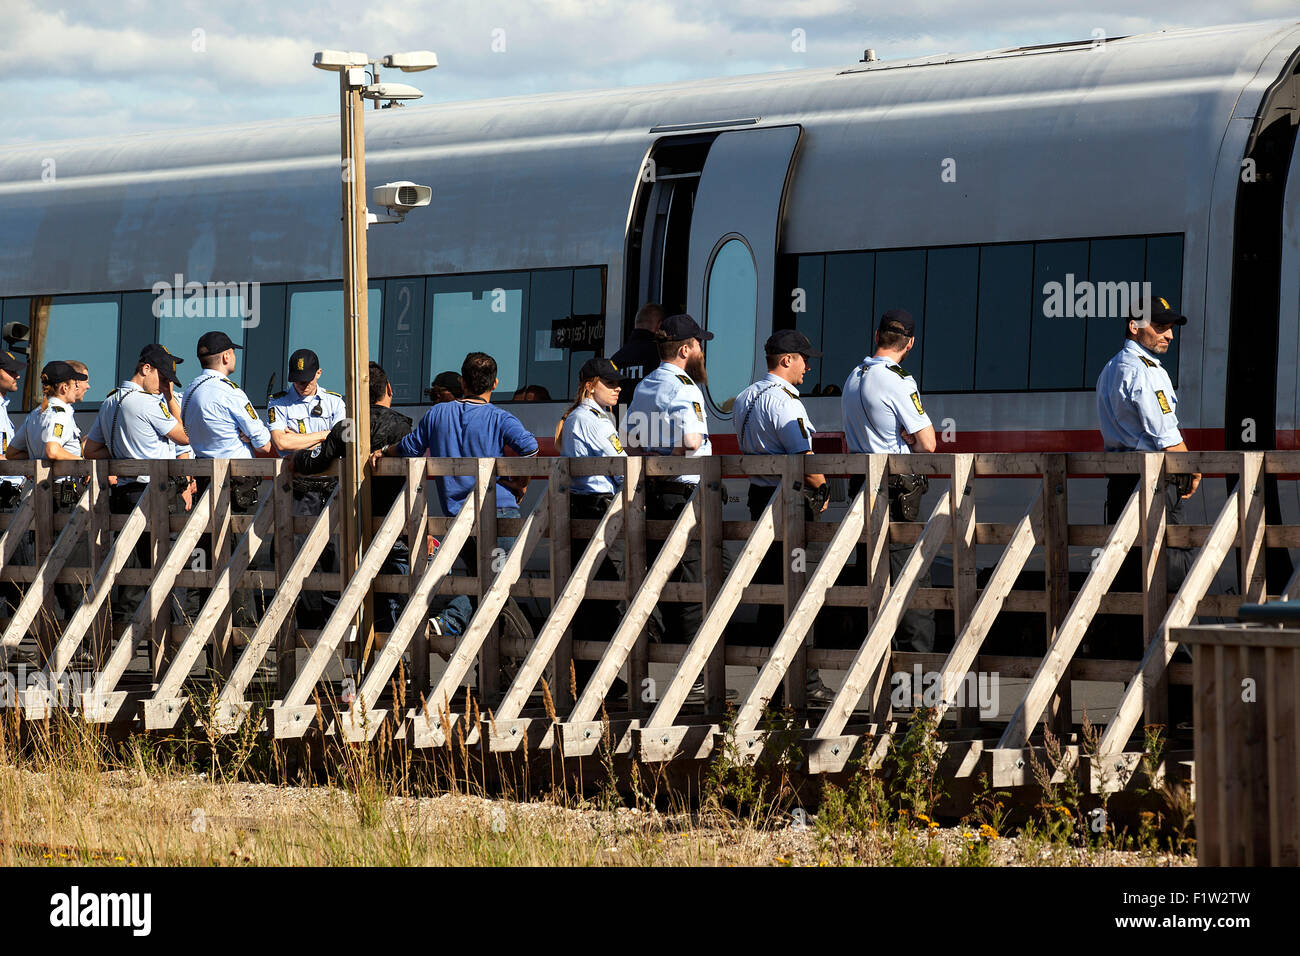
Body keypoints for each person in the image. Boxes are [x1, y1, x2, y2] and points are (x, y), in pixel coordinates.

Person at [372, 351, 538, 639]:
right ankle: (452, 620)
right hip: (498, 512)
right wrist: (519, 484)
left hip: (458, 518)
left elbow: (410, 448)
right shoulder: (499, 417)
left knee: (483, 584)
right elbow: (531, 448)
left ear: (462, 382)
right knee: (497, 583)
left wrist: (384, 451)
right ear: (495, 383)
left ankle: (490, 667)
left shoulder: (438, 413)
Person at [1094, 295, 1199, 659]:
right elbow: (1165, 436)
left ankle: (1137, 685)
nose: (1168, 334)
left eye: (1170, 327)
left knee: (1131, 581)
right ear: (1134, 326)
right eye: (1160, 326)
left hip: (1123, 483)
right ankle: (1174, 681)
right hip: (1153, 485)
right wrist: (1191, 469)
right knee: (1169, 579)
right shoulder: (1143, 370)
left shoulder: (1113, 367)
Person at [733, 329, 833, 701]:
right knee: (801, 590)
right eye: (804, 359)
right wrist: (822, 488)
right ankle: (805, 681)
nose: (808, 367)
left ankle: (770, 675)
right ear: (786, 359)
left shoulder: (745, 397)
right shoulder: (786, 402)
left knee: (771, 591)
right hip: (791, 503)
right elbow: (803, 459)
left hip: (760, 499)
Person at [293, 361, 416, 633]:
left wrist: (295, 457)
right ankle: (395, 664)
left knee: (353, 589)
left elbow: (313, 462)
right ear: (388, 390)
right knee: (393, 592)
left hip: (352, 525)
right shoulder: (403, 428)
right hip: (392, 522)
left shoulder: (345, 427)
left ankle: (362, 658)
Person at [841, 309, 936, 654]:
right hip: (896, 493)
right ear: (910, 343)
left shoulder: (853, 376)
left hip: (861, 489)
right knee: (911, 582)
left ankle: (880, 671)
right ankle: (918, 684)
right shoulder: (898, 380)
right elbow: (928, 443)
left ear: (876, 335)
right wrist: (909, 437)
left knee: (874, 584)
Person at [83, 344, 193, 624]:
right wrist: (171, 401)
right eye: (163, 378)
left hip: (125, 493)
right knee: (172, 569)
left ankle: (126, 640)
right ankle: (173, 639)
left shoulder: (111, 401)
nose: (165, 385)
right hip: (156, 495)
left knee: (135, 573)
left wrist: (124, 455)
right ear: (146, 369)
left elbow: (92, 450)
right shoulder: (147, 402)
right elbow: (185, 436)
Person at [625, 313, 712, 643]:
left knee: (673, 573)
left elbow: (630, 443)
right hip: (685, 494)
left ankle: (672, 653)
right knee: (694, 580)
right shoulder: (684, 387)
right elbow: (691, 441)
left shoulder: (646, 384)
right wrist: (678, 452)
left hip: (659, 494)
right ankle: (694, 679)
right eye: (699, 344)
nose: (702, 349)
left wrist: (657, 456)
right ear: (686, 349)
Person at [555, 357, 642, 686]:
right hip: (599, 510)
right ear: (591, 385)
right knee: (606, 593)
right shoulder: (595, 421)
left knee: (588, 594)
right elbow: (622, 467)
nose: (618, 387)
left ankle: (590, 675)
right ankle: (600, 678)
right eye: (610, 382)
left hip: (581, 507)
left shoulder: (578, 417)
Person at [181, 331, 274, 625]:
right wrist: (247, 439)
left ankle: (211, 633)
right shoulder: (229, 392)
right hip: (238, 485)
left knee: (210, 559)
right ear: (225, 356)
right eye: (233, 352)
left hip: (205, 481)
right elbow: (264, 443)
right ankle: (242, 636)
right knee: (243, 559)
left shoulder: (190, 391)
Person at [7, 361, 92, 631]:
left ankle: (57, 636)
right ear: (65, 386)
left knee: (50, 570)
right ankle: (79, 641)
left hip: (42, 497)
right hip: (62, 497)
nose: (83, 386)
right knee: (74, 572)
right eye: (77, 382)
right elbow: (53, 451)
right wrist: (83, 461)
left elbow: (12, 453)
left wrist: (34, 465)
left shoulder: (36, 414)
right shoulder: (59, 413)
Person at [268, 348, 347, 627]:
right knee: (294, 554)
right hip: (298, 489)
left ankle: (333, 622)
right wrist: (325, 435)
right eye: (297, 380)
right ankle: (297, 622)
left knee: (334, 556)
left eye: (307, 380)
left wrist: (302, 440)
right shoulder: (278, 402)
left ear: (319, 374)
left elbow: (340, 445)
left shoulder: (336, 402)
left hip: (330, 488)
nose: (301, 386)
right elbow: (281, 444)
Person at [0, 348, 28, 625]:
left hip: (10, 494)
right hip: (3, 495)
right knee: (18, 570)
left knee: (16, 570)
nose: (17, 374)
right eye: (10, 370)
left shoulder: (3, 406)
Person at [611, 302, 665, 399]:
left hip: (619, 413)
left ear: (636, 324)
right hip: (653, 414)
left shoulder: (615, 360)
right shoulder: (661, 356)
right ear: (659, 326)